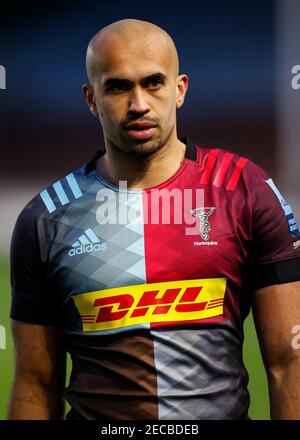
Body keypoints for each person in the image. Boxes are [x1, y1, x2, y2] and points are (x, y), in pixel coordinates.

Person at [8, 18, 300, 420]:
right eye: (117, 87)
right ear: (91, 99)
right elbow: (35, 386)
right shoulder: (46, 219)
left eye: (153, 83)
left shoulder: (245, 190)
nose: (139, 104)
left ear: (179, 89)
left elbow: (289, 363)